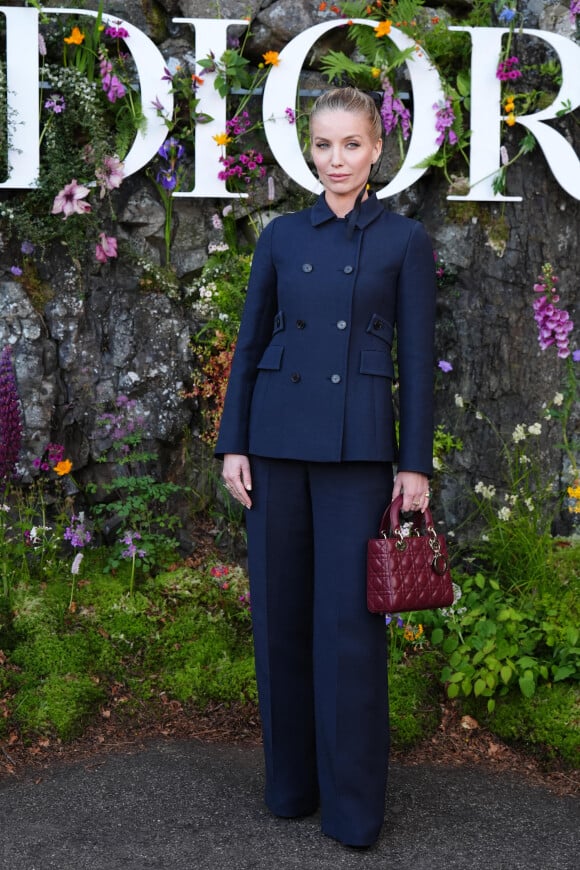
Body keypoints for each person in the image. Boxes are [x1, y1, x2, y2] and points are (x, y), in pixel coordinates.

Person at [215, 86, 436, 849]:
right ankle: (291, 787)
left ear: (377, 150)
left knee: (348, 630)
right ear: (307, 150)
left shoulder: (404, 240)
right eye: (323, 145)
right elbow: (249, 345)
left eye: (351, 145)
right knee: (279, 619)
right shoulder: (279, 235)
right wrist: (233, 443)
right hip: (274, 445)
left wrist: (415, 466)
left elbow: (418, 362)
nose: (335, 159)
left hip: (357, 451)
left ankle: (351, 810)